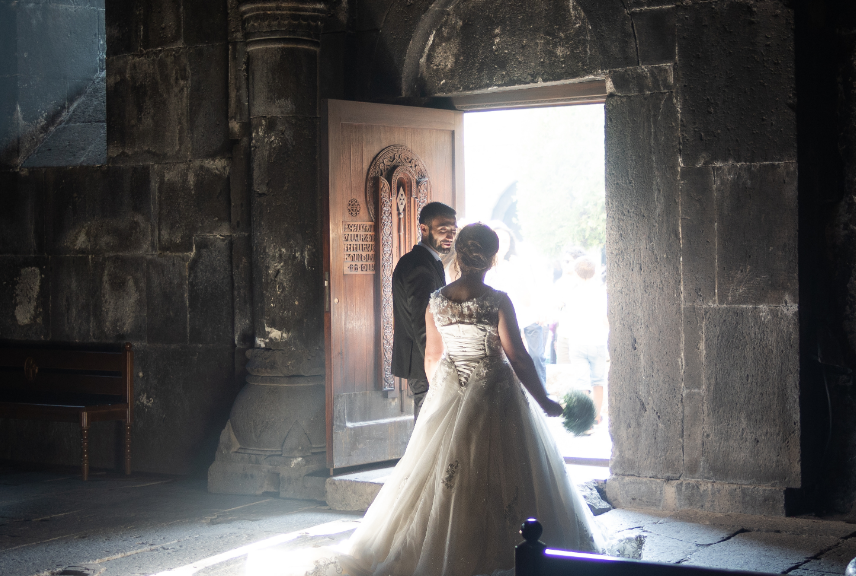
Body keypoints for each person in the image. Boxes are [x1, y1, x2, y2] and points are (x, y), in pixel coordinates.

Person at [246, 224, 607, 576]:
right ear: (493, 259)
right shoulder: (497, 301)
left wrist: (444, 397)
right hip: (496, 391)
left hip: (451, 389)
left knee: (445, 474)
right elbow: (519, 357)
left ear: (459, 254)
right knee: (509, 473)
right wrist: (544, 400)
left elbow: (432, 358)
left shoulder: (438, 301)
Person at [391, 201, 457, 419]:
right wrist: (435, 368)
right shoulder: (419, 266)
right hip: (424, 364)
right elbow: (422, 322)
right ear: (424, 228)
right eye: (443, 230)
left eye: (453, 231)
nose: (449, 235)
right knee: (426, 431)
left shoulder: (427, 261)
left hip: (425, 362)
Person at [558, 255, 609, 424]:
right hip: (598, 342)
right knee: (598, 381)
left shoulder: (571, 294)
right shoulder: (601, 292)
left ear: (576, 273)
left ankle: (584, 417)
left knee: (582, 382)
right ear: (595, 273)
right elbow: (605, 319)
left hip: (577, 342)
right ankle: (596, 416)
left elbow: (567, 319)